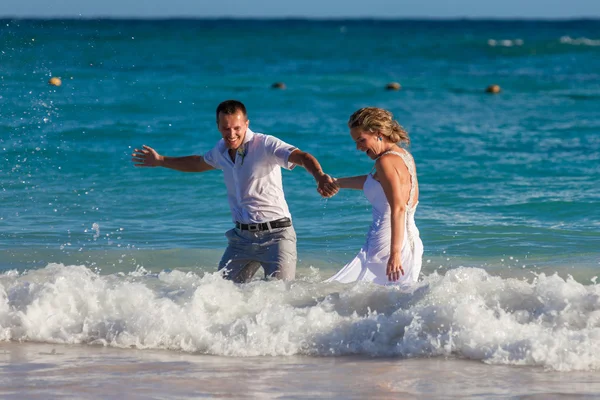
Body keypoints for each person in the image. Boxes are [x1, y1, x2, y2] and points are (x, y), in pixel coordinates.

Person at [132, 100, 337, 283]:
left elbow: (302, 157)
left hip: (277, 236)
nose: (231, 134)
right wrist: (161, 161)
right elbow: (197, 163)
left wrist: (319, 176)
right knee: (221, 292)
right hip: (241, 239)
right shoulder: (220, 150)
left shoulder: (265, 144)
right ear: (218, 127)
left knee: (280, 296)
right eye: (226, 128)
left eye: (237, 128)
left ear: (246, 124)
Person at [324, 107, 423, 285]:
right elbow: (374, 183)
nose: (358, 147)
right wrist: (338, 183)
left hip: (388, 244)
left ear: (378, 133)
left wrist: (395, 254)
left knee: (353, 295)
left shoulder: (384, 161)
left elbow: (399, 208)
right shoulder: (403, 155)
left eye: (361, 140)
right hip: (411, 240)